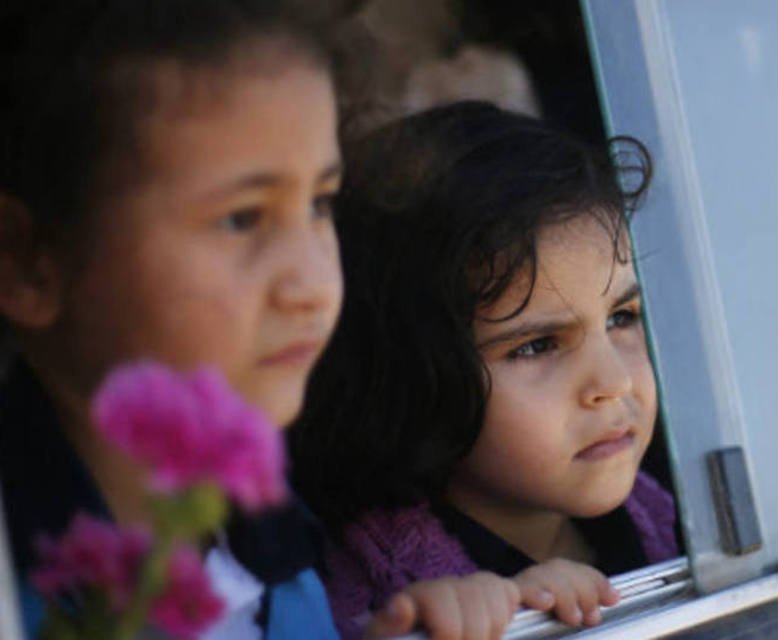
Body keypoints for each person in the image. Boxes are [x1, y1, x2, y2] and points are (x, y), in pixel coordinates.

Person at [0, 4, 533, 639]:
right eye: (242, 218)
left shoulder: (271, 538)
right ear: (27, 264)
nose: (311, 285)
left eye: (319, 204)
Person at [291, 101, 680, 638]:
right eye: (537, 346)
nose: (613, 383)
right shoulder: (376, 583)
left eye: (621, 317)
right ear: (412, 378)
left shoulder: (655, 509)